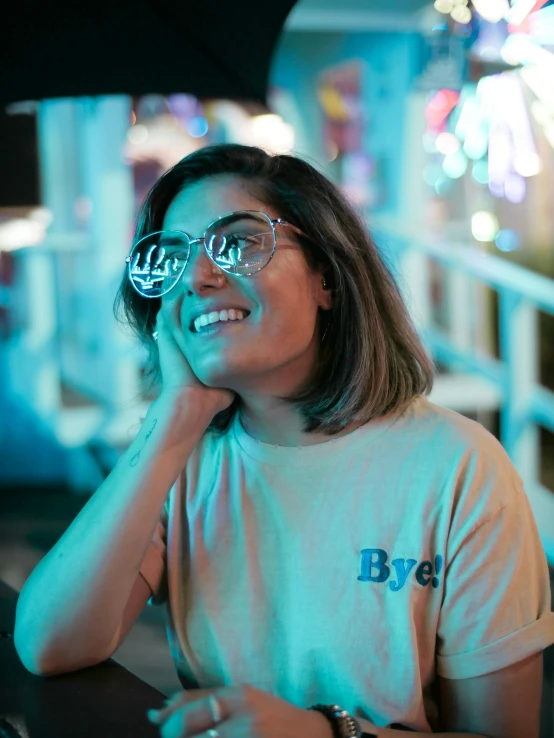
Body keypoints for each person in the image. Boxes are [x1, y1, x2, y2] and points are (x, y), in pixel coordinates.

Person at [14, 144, 554, 738]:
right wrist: (173, 419)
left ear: (327, 276)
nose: (196, 277)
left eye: (238, 242)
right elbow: (50, 644)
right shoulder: (185, 459)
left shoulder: (458, 468)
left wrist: (326, 733)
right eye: (170, 257)